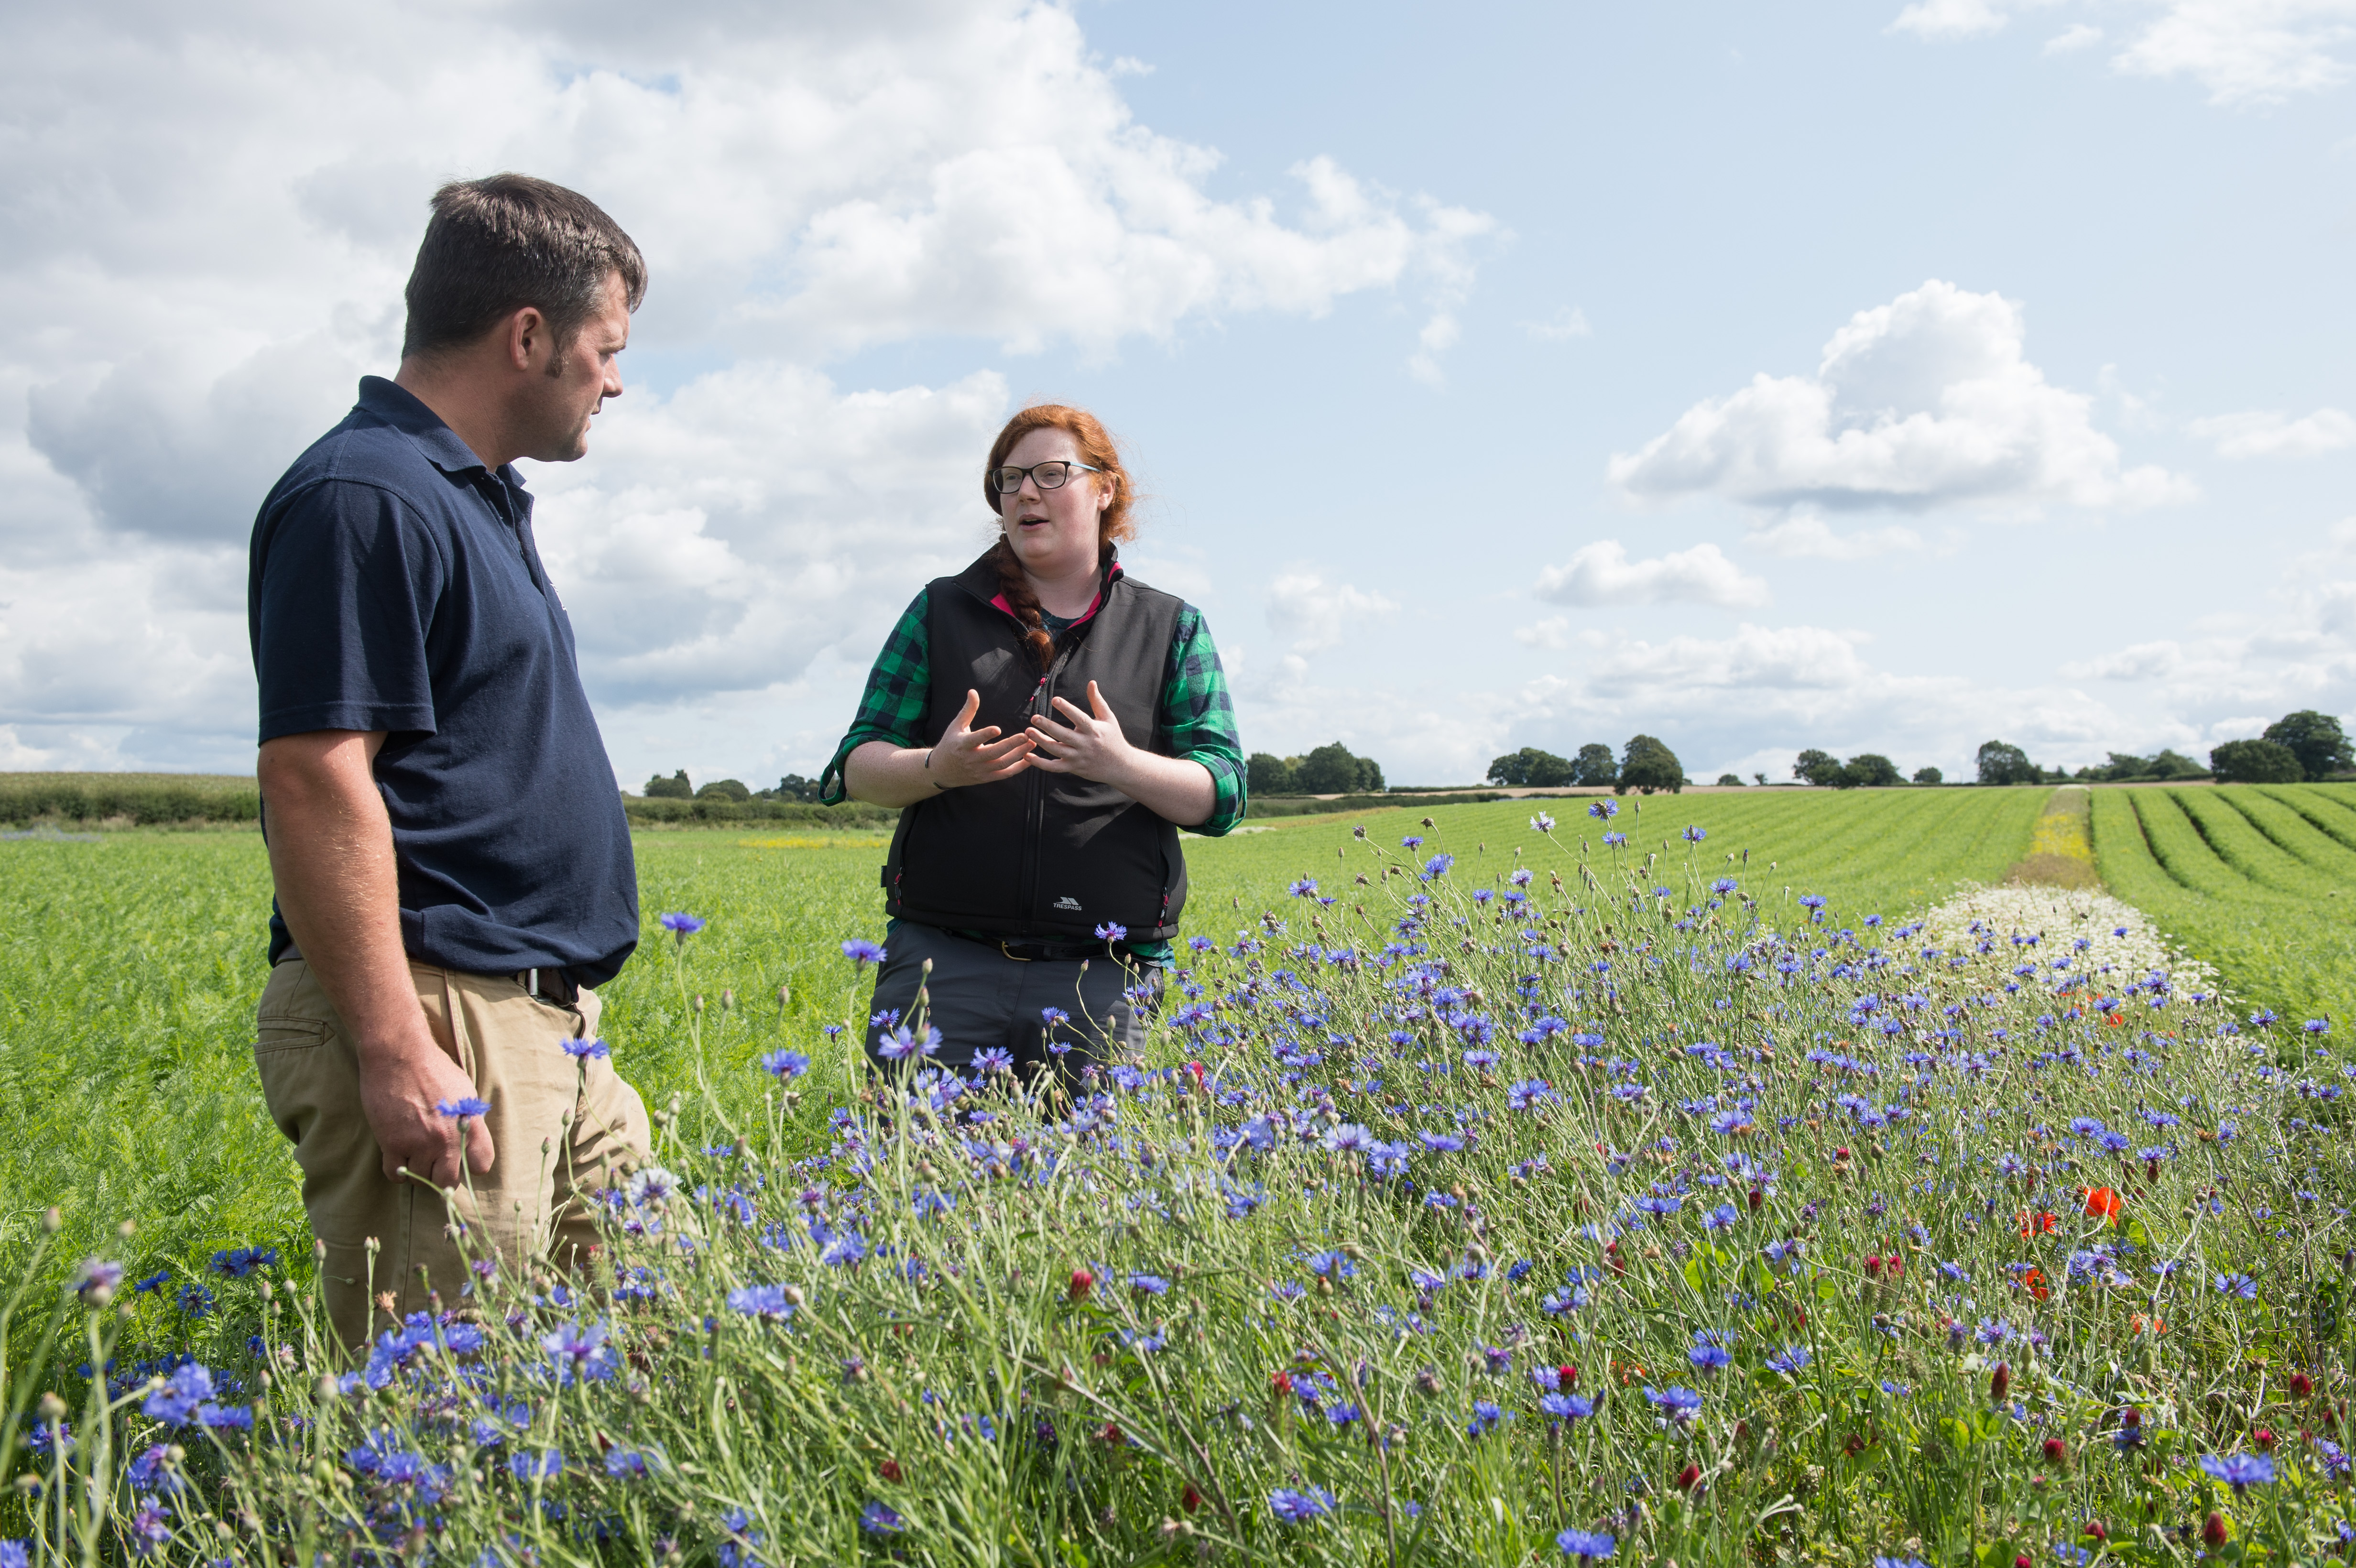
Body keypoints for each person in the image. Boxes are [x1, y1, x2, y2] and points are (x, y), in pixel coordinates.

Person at [248, 174, 651, 1347]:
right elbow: (317, 775)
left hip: (545, 1023)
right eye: (606, 349)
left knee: (665, 1345)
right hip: (442, 1012)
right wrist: (391, 1042)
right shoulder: (364, 494)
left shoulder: (468, 496)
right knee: (437, 1424)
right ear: (528, 336)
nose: (615, 382)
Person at [819, 403, 1245, 1079]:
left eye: (1051, 474)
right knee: (915, 1177)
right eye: (1009, 478)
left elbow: (1222, 794)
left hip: (1102, 978)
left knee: (1091, 1186)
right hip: (942, 965)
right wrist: (938, 768)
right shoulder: (940, 610)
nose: (1024, 493)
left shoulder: (1170, 627)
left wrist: (1122, 765)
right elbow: (857, 765)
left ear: (1105, 489)